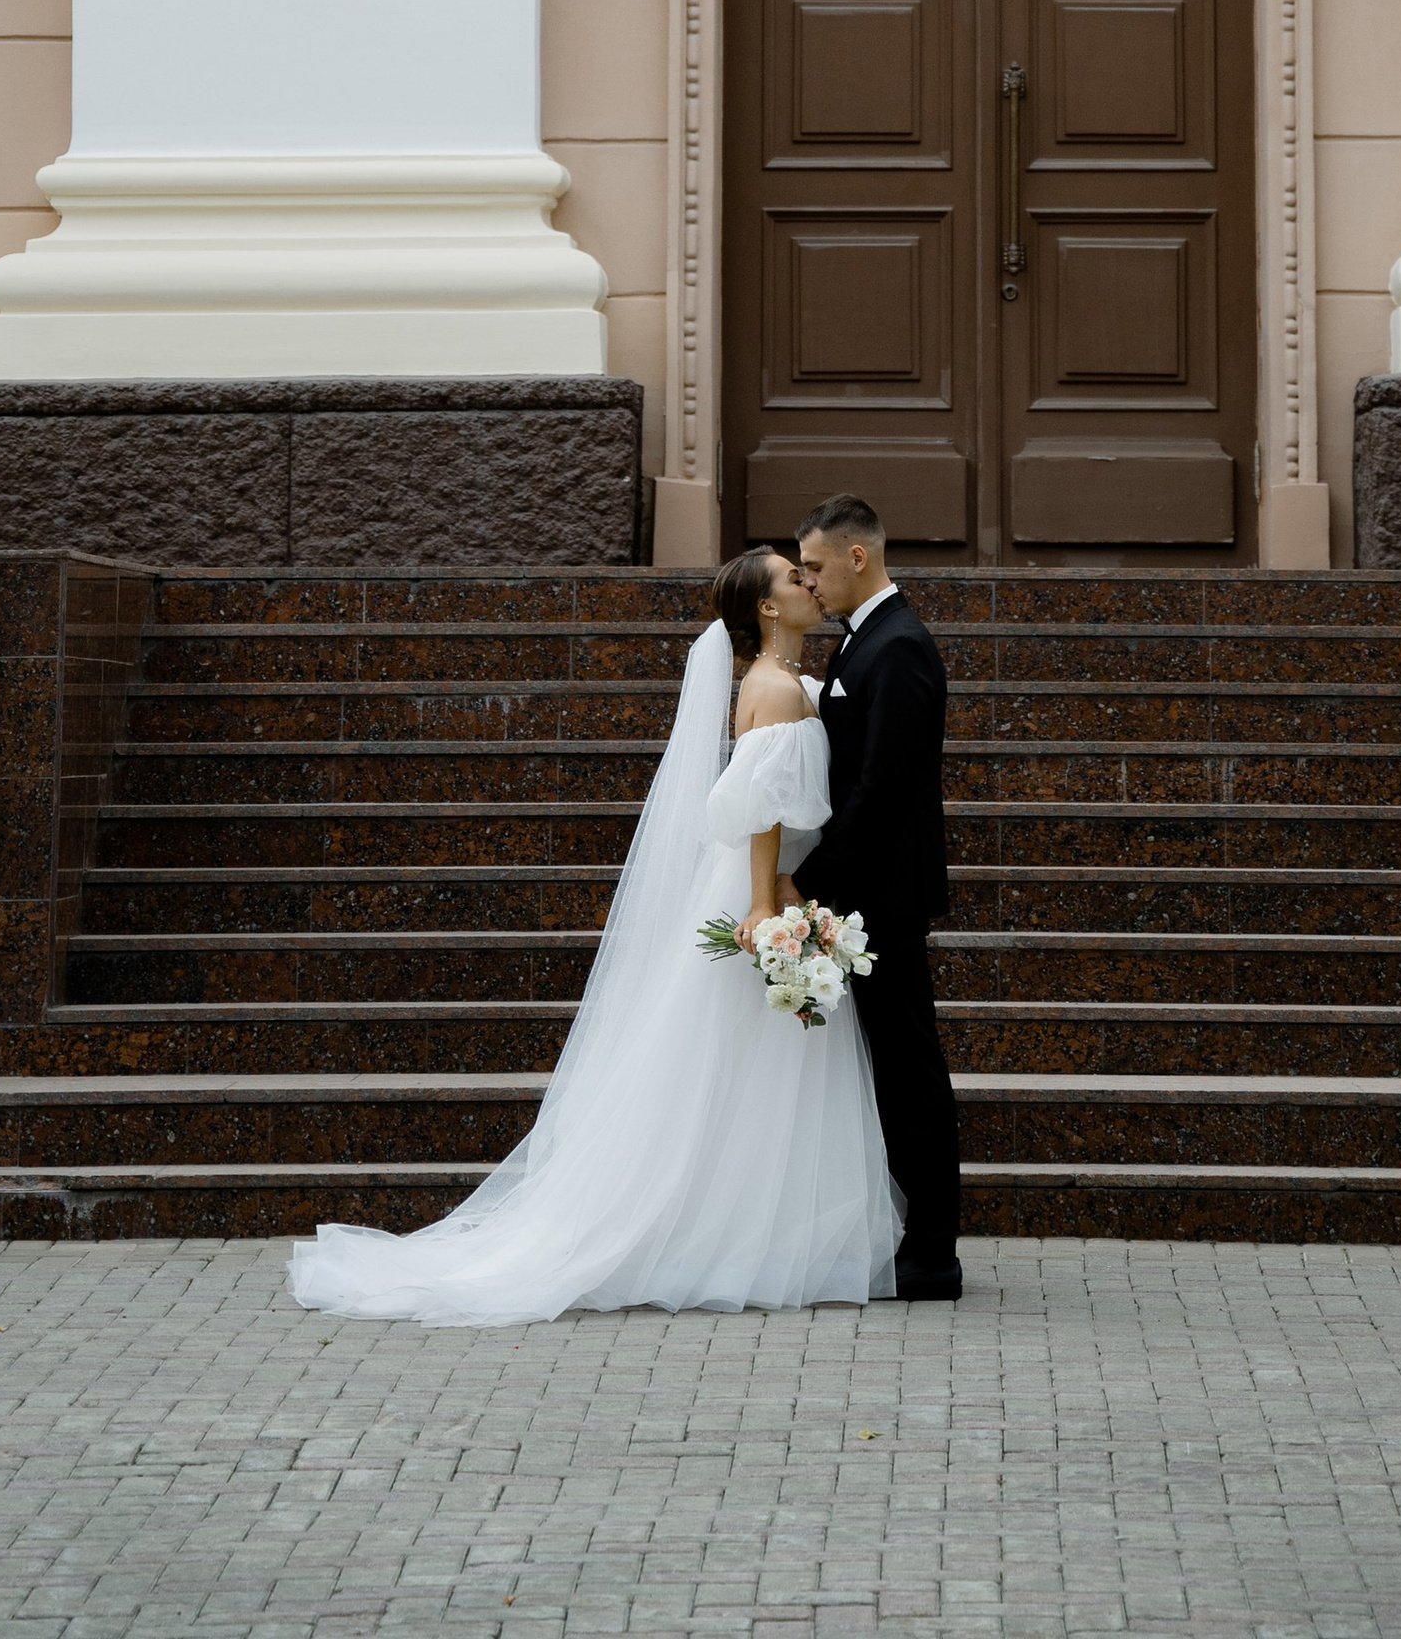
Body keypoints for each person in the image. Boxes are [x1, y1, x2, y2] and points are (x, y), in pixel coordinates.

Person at [286, 544, 897, 1323]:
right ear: (768, 608)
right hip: (762, 888)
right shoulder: (776, 690)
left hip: (776, 884)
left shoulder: (783, 681)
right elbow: (764, 813)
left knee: (742, 1067)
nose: (810, 583)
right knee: (741, 1065)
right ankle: (731, 1235)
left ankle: (746, 1230)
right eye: (792, 577)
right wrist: (764, 907)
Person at [792, 495, 963, 1302]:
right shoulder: (867, 640)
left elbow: (884, 786)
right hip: (864, 891)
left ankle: (932, 1251)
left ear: (856, 557)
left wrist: (811, 880)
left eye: (816, 566)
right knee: (892, 1065)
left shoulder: (898, 646)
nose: (809, 582)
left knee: (907, 1068)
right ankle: (912, 1236)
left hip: (883, 896)